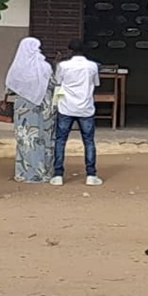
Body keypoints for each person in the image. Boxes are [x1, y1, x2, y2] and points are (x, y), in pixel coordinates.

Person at [51, 38, 102, 187]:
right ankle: (91, 175)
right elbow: (96, 83)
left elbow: (57, 81)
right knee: (89, 141)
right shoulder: (92, 66)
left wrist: (57, 64)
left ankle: (58, 175)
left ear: (70, 50)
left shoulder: (63, 65)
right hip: (86, 108)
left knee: (61, 140)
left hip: (66, 107)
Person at [5, 37, 55, 183]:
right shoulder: (45, 66)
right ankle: (45, 172)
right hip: (45, 108)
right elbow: (53, 84)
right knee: (45, 139)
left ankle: (25, 173)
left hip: (24, 109)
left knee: (26, 139)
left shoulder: (18, 67)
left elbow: (10, 88)